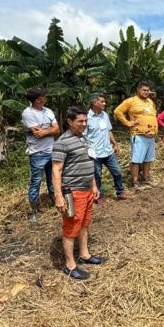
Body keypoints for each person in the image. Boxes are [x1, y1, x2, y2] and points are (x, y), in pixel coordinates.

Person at [52, 106, 106, 280]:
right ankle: (70, 264)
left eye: (85, 121)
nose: (84, 124)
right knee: (71, 227)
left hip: (88, 190)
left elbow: (88, 162)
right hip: (73, 192)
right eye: (80, 121)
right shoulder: (62, 142)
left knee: (84, 224)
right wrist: (59, 196)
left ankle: (85, 254)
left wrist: (94, 186)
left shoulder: (83, 138)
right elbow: (56, 170)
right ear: (69, 121)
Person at [22, 88, 60, 223]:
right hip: (37, 152)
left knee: (54, 178)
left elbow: (57, 129)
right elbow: (37, 133)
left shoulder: (48, 111)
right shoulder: (28, 113)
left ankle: (56, 203)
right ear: (38, 100)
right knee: (36, 181)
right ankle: (34, 211)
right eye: (44, 96)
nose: (46, 97)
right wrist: (50, 130)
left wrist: (46, 131)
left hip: (51, 150)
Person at [86, 93, 131, 205]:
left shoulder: (104, 115)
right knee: (97, 175)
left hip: (107, 150)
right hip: (95, 153)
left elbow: (109, 131)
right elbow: (84, 136)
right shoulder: (87, 118)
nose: (104, 103)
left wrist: (115, 144)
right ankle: (98, 195)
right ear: (94, 103)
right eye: (102, 101)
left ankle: (120, 192)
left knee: (117, 172)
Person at [113, 80, 158, 190]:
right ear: (138, 90)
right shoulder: (131, 101)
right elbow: (117, 111)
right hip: (138, 135)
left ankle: (146, 179)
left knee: (148, 159)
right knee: (136, 159)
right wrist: (128, 123)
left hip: (151, 136)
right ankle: (135, 181)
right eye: (144, 90)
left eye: (148, 90)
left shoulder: (150, 102)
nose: (146, 92)